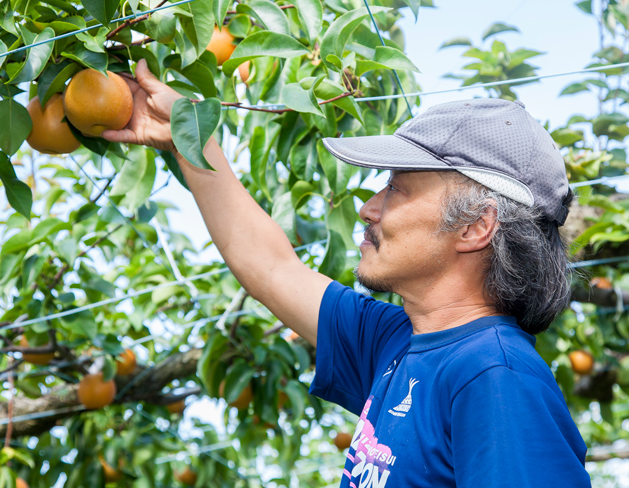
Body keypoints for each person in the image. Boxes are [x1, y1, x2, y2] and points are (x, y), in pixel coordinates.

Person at [104, 59, 592, 487]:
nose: (366, 208)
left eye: (397, 190)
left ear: (475, 226)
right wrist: (191, 140)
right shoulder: (399, 342)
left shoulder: (494, 378)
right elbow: (271, 268)